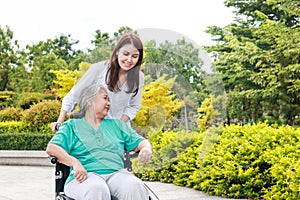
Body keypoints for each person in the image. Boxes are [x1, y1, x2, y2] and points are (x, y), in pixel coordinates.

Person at [46, 84, 152, 200]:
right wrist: (75, 163)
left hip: (116, 174)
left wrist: (146, 149)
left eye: (109, 100)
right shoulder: (72, 125)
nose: (109, 103)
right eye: (105, 98)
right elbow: (52, 148)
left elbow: (141, 142)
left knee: (134, 185)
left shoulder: (117, 126)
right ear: (89, 101)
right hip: (85, 176)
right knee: (97, 188)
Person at [51, 32, 144, 132]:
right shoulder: (99, 69)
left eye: (134, 56)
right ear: (117, 52)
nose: (129, 60)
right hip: (95, 128)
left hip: (119, 131)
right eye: (125, 54)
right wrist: (60, 121)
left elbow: (134, 106)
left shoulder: (139, 77)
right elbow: (74, 94)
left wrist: (118, 125)